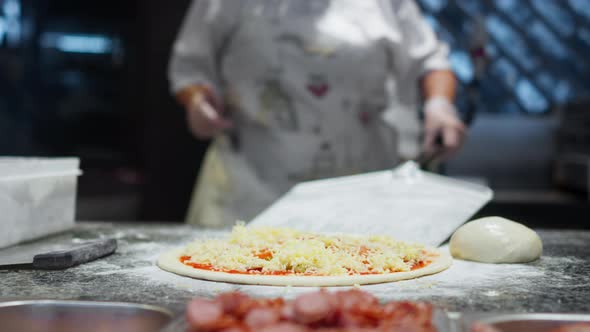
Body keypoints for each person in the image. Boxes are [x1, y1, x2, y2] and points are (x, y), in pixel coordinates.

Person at [169, 0, 466, 227]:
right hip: (252, 189)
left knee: (363, 295)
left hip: (363, 192)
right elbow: (190, 67)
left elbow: (431, 62)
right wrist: (197, 101)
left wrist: (439, 106)